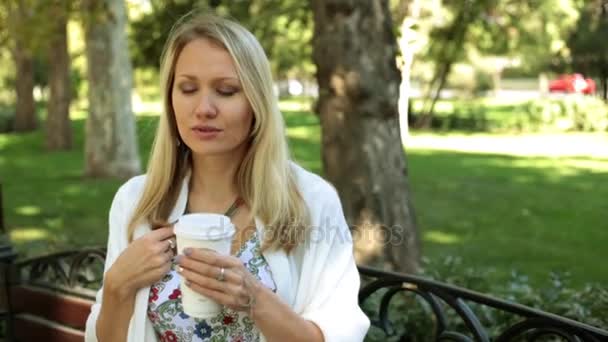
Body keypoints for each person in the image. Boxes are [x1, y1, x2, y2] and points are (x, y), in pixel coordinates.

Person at [84, 12, 370, 342]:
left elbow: (337, 335)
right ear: (170, 99)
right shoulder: (137, 201)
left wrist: (255, 298)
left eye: (227, 90)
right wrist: (118, 287)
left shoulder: (308, 200)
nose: (204, 108)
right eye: (188, 88)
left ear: (256, 102)